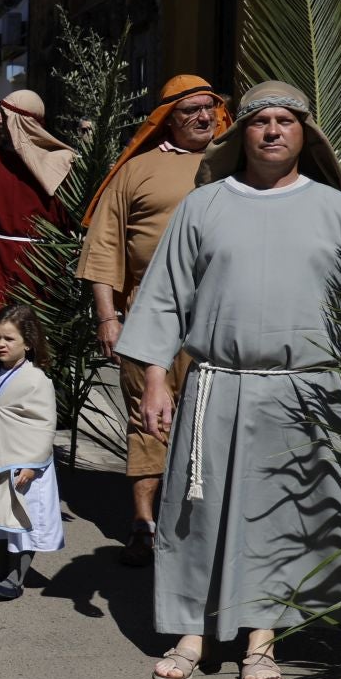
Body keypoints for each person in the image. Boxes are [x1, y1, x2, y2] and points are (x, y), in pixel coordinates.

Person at [117, 80, 341, 679]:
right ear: (239, 132)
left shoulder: (337, 210)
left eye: (285, 120)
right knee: (197, 513)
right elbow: (164, 297)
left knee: (281, 517)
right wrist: (153, 380)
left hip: (305, 390)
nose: (272, 130)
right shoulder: (205, 205)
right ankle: (191, 632)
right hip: (217, 385)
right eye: (259, 121)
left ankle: (261, 640)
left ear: (306, 133)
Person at [77, 74, 228, 566]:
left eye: (210, 108)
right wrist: (107, 316)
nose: (204, 117)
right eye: (191, 111)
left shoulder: (237, 165)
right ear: (168, 119)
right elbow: (103, 245)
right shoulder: (137, 170)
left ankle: (204, 527)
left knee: (217, 420)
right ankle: (143, 523)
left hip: (224, 316)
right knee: (148, 418)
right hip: (147, 313)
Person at [0, 90, 73, 389]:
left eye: (3, 115)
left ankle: (40, 398)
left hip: (42, 266)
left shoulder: (61, 161)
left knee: (36, 334)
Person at [0, 304, 61, 601]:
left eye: (9, 339)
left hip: (24, 464)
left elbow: (43, 425)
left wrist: (33, 465)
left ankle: (16, 577)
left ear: (28, 343)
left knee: (20, 523)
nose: (0, 344)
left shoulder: (37, 380)